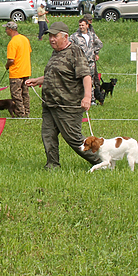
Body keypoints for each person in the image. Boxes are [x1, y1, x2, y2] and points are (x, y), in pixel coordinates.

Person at [25, 22, 102, 170]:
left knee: (74, 140)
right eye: (50, 36)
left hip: (68, 105)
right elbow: (57, 74)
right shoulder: (56, 53)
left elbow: (86, 76)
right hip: (50, 104)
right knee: (48, 136)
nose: (52, 39)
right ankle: (52, 165)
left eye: (55, 36)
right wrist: (38, 80)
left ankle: (101, 162)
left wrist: (87, 98)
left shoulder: (75, 52)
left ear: (65, 37)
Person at [70, 18, 104, 105]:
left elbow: (100, 44)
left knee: (91, 81)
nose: (81, 27)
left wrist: (95, 52)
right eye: (80, 25)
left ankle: (91, 99)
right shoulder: (75, 36)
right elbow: (69, 46)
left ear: (87, 25)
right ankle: (78, 99)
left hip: (91, 61)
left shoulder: (92, 35)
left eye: (83, 25)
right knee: (78, 80)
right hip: (80, 61)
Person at [4, 21, 32, 117]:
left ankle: (20, 113)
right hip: (25, 71)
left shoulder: (12, 42)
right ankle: (26, 112)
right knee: (25, 94)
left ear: (10, 30)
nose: (6, 31)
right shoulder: (25, 39)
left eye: (6, 29)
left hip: (16, 72)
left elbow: (11, 60)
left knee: (16, 95)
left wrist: (7, 65)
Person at [83, 13, 104, 104]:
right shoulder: (78, 32)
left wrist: (95, 52)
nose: (91, 21)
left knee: (95, 78)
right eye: (89, 20)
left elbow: (98, 43)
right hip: (83, 59)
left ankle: (97, 96)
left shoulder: (91, 31)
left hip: (91, 59)